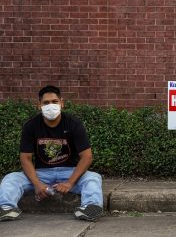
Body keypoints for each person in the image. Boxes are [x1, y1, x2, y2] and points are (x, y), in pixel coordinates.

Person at [0, 85, 103, 221]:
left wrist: (70, 182)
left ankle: (91, 208)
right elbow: (25, 158)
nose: (51, 105)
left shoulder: (74, 124)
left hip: (70, 172)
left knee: (93, 178)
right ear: (39, 105)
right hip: (42, 173)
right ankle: (6, 208)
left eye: (54, 102)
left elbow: (87, 156)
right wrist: (37, 184)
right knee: (11, 179)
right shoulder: (31, 126)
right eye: (46, 102)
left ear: (62, 103)